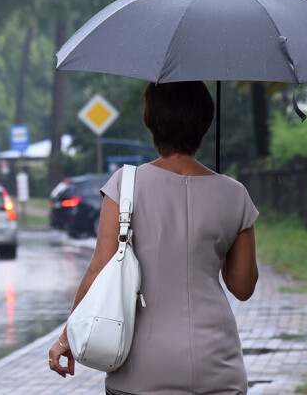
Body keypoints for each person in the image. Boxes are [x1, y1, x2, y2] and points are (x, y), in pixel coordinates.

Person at [49, 81, 259, 395]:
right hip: (218, 365)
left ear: (151, 122)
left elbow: (99, 270)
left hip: (140, 369)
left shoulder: (126, 184)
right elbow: (242, 288)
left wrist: (68, 336)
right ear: (204, 123)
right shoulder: (234, 194)